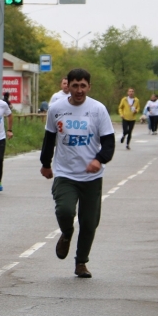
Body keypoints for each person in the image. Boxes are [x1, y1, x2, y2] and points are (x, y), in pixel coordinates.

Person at [40, 68, 115, 279]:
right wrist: (46, 163)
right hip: (65, 173)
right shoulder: (56, 109)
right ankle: (66, 233)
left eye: (83, 86)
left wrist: (98, 160)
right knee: (64, 211)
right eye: (75, 85)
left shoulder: (98, 110)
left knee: (89, 222)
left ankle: (81, 262)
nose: (79, 90)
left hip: (91, 177)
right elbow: (49, 139)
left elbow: (108, 144)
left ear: (89, 87)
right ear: (68, 86)